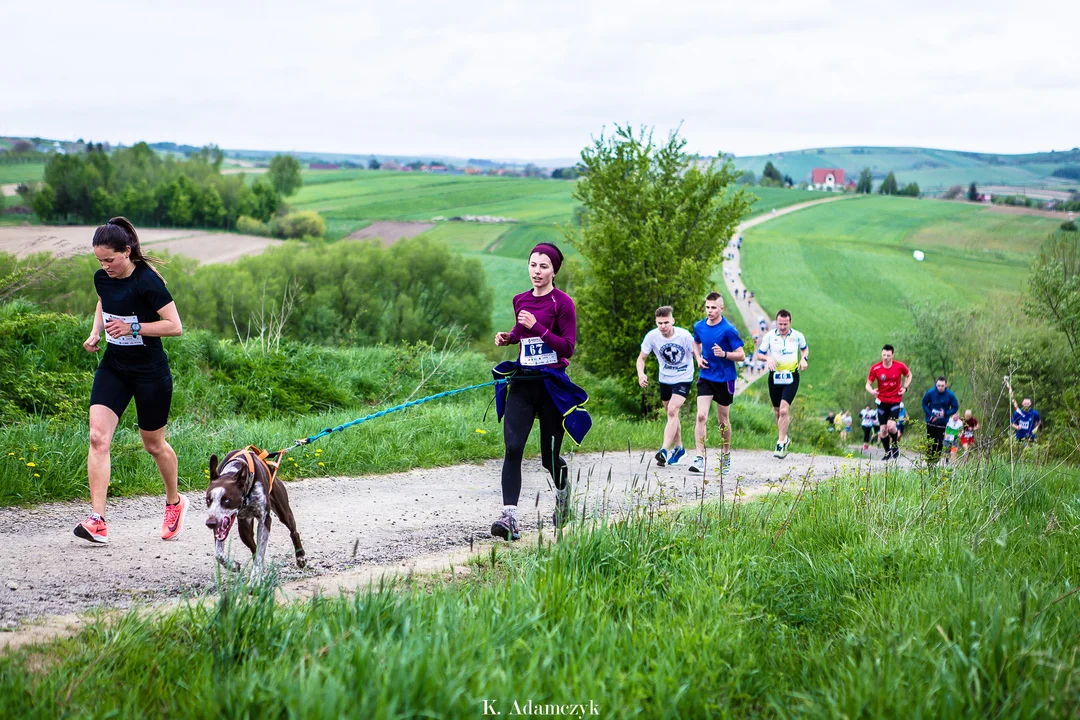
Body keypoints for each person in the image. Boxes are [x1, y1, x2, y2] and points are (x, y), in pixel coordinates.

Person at [75, 217, 186, 544]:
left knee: (153, 444)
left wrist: (134, 328)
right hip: (115, 367)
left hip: (150, 372)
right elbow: (104, 301)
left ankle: (174, 502)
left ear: (127, 251)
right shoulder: (103, 278)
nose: (104, 266)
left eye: (109, 259)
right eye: (99, 261)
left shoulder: (148, 282)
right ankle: (98, 520)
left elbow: (175, 326)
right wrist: (96, 331)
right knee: (98, 437)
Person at [491, 243, 589, 541]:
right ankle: (510, 518)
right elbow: (521, 335)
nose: (537, 271)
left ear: (554, 271)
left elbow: (568, 347)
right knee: (513, 448)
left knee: (549, 457)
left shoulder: (563, 304)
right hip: (522, 384)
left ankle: (562, 496)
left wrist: (540, 329)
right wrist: (508, 337)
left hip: (550, 388)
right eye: (533, 265)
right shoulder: (520, 300)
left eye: (544, 266)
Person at [689, 292, 745, 475]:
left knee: (723, 421)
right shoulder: (699, 326)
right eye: (707, 307)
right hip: (706, 376)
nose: (710, 311)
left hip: (725, 378)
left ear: (721, 308)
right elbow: (695, 343)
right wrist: (698, 358)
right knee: (701, 416)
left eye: (714, 307)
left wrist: (725, 354)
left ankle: (726, 454)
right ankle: (699, 457)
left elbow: (741, 354)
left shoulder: (729, 329)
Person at [637, 306, 699, 467]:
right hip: (665, 379)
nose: (663, 326)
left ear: (672, 321)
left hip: (683, 377)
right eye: (659, 323)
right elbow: (641, 358)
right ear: (656, 322)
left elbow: (696, 352)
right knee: (672, 414)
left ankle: (664, 450)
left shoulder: (684, 335)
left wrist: (700, 360)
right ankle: (679, 448)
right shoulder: (652, 336)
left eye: (666, 322)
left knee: (672, 410)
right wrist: (641, 374)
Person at [754, 309, 808, 458]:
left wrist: (804, 359)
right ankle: (785, 438)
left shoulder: (797, 336)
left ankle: (780, 442)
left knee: (784, 410)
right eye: (780, 324)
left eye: (785, 324)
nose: (782, 327)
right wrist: (768, 359)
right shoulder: (770, 336)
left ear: (790, 322)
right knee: (777, 412)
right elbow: (759, 354)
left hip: (791, 376)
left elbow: (804, 349)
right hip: (775, 377)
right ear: (776, 322)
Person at [865, 344, 912, 461]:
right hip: (881, 401)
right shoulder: (875, 368)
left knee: (891, 426)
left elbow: (909, 375)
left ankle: (895, 446)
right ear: (881, 354)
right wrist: (872, 391)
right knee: (883, 430)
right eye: (884, 355)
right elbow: (868, 384)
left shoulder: (899, 366)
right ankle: (887, 452)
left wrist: (905, 387)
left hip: (895, 400)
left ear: (892, 355)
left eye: (888, 355)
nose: (885, 357)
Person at [921, 376, 959, 465]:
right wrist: (930, 414)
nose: (940, 388)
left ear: (946, 385)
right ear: (936, 385)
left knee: (940, 441)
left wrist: (946, 413)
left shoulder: (950, 395)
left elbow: (955, 407)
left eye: (942, 386)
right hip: (931, 421)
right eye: (938, 385)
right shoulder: (930, 392)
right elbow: (924, 404)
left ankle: (936, 460)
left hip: (942, 422)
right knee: (931, 441)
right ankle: (930, 460)